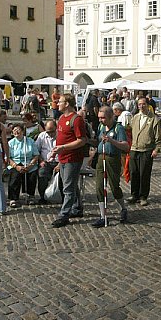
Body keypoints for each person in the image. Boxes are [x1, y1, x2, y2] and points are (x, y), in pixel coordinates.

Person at [49, 93, 87, 227]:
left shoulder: (76, 120)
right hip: (63, 157)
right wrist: (56, 152)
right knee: (70, 184)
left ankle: (64, 215)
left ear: (67, 104)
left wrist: (63, 147)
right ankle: (77, 208)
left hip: (73, 158)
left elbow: (82, 140)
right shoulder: (60, 118)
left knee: (68, 188)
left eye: (60, 101)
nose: (57, 103)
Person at [91, 106, 130, 227]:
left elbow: (125, 146)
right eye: (99, 118)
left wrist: (111, 141)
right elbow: (97, 141)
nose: (101, 120)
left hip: (113, 159)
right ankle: (103, 216)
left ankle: (123, 208)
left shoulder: (119, 128)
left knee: (114, 186)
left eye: (103, 118)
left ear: (110, 116)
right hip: (100, 158)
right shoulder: (100, 127)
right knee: (99, 187)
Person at [128, 97, 161, 206]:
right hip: (134, 149)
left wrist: (156, 149)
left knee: (144, 174)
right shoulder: (135, 118)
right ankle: (134, 194)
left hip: (147, 150)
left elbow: (158, 137)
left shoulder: (154, 119)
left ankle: (143, 196)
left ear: (148, 105)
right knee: (134, 173)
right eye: (139, 104)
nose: (141, 106)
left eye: (143, 104)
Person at [6, 124, 40, 208]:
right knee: (15, 176)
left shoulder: (30, 141)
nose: (16, 131)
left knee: (32, 175)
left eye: (18, 129)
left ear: (22, 131)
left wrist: (30, 165)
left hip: (28, 163)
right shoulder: (10, 143)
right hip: (15, 163)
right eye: (14, 130)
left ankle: (30, 196)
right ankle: (13, 198)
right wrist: (15, 166)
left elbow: (36, 155)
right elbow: (8, 157)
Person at [35, 119, 58, 205]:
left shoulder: (61, 136)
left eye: (52, 131)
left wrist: (60, 164)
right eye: (48, 132)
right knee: (42, 174)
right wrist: (41, 160)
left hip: (58, 162)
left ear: (56, 128)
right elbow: (36, 151)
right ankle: (42, 197)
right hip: (45, 161)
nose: (50, 134)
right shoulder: (42, 136)